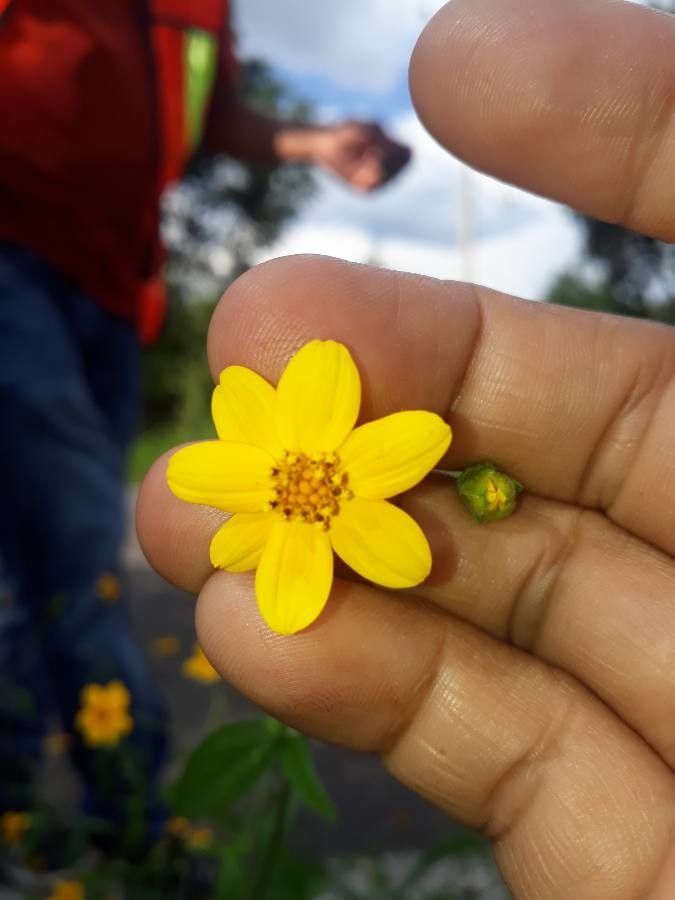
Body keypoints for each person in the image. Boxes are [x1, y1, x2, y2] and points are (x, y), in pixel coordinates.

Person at [137, 0, 675, 897]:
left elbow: (401, 445)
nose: (304, 487)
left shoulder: (379, 477)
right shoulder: (289, 498)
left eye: (306, 484)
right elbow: (239, 430)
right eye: (301, 484)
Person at [0, 0, 410, 853]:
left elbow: (210, 117)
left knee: (61, 550)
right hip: (11, 256)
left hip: (110, 289)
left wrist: (310, 142)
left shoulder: (200, 10)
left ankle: (66, 814)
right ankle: (127, 826)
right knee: (68, 548)